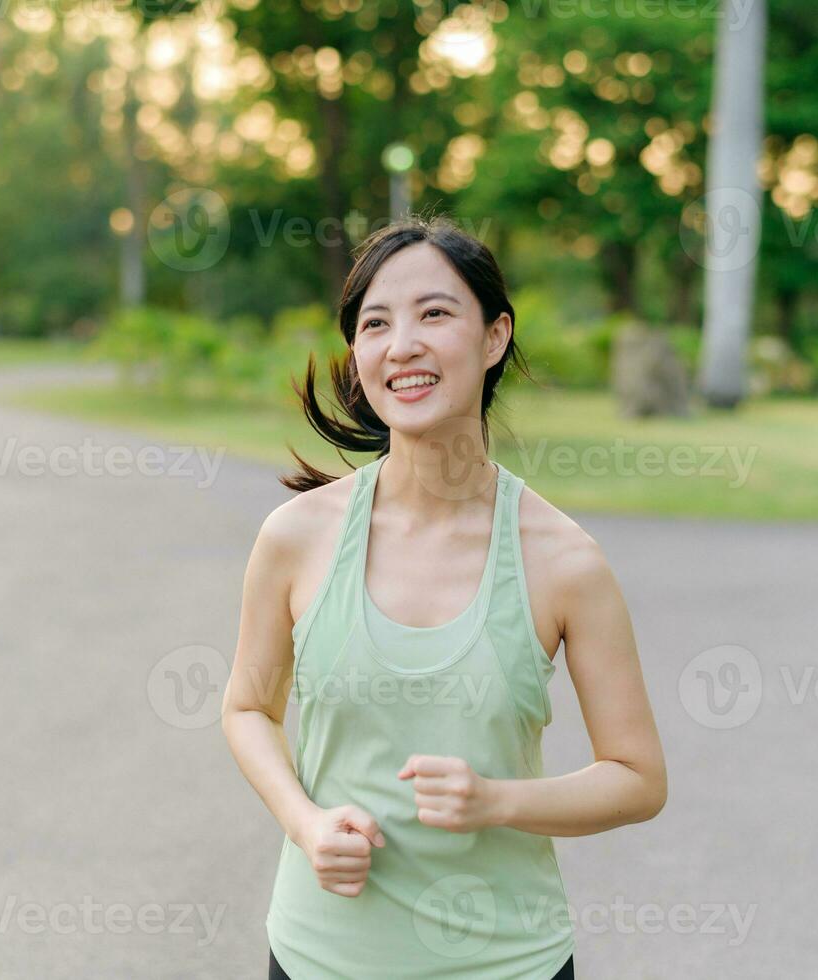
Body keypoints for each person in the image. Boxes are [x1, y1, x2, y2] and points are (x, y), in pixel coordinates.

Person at [222, 216, 667, 980]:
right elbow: (247, 709)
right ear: (357, 353)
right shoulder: (295, 537)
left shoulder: (564, 562)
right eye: (375, 323)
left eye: (434, 313)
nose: (402, 345)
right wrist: (305, 822)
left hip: (508, 964)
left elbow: (636, 777)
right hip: (319, 958)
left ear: (493, 337)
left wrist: (496, 800)